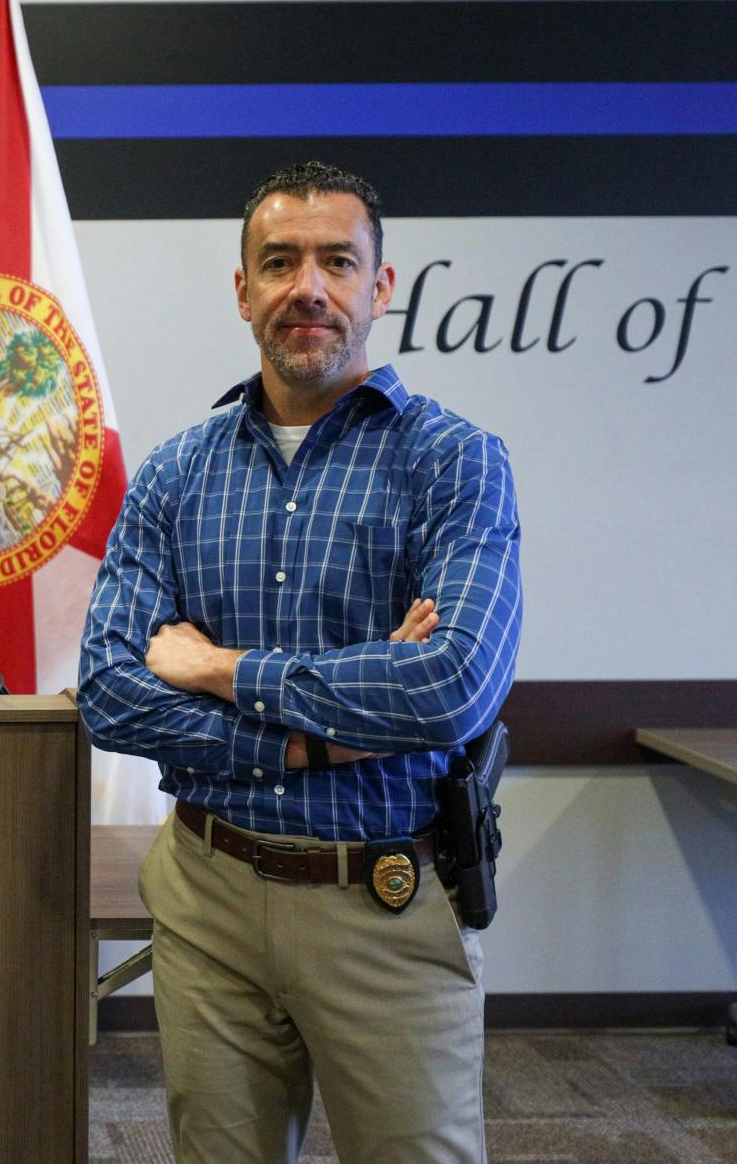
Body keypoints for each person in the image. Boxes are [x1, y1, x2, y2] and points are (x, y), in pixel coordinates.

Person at [78, 162, 521, 1162]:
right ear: (242, 291)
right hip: (206, 893)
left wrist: (215, 667)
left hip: (383, 900)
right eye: (277, 262)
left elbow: (449, 685)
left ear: (379, 286)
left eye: (336, 261)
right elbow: (110, 691)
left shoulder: (451, 461)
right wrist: (313, 746)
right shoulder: (175, 472)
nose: (306, 287)